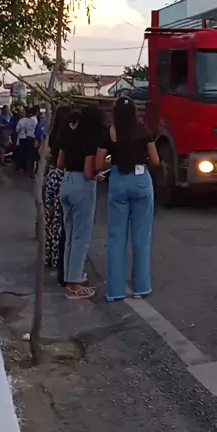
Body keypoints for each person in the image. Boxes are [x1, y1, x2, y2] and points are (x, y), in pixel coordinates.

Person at [96, 96, 159, 301]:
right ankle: (141, 287)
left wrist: (112, 161)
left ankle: (115, 291)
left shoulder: (110, 132)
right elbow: (155, 160)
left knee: (116, 237)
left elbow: (98, 164)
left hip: (118, 181)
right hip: (141, 180)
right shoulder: (143, 130)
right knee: (141, 237)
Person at [58, 105, 104, 300]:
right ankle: (74, 284)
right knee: (81, 237)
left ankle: (70, 277)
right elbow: (88, 171)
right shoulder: (91, 139)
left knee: (69, 235)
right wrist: (98, 173)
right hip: (81, 186)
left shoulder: (70, 135)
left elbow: (59, 163)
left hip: (66, 182)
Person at [44, 105, 71, 274]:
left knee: (50, 218)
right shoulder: (67, 137)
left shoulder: (52, 134)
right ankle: (59, 258)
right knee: (60, 221)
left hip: (52, 175)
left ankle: (50, 256)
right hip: (62, 176)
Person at [15, 107, 37, 174]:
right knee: (29, 154)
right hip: (30, 138)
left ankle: (21, 167)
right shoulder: (32, 120)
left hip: (22, 138)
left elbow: (17, 129)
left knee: (22, 153)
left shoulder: (21, 121)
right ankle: (29, 168)